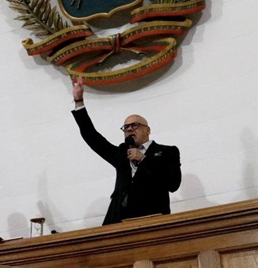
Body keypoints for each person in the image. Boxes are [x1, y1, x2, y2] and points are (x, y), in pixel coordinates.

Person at [71, 76, 182, 225]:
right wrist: (79, 102)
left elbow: (173, 184)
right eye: (126, 127)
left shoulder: (168, 152)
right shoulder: (121, 154)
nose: (129, 129)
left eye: (134, 125)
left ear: (147, 130)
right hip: (118, 221)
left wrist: (144, 159)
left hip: (152, 219)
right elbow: (93, 138)